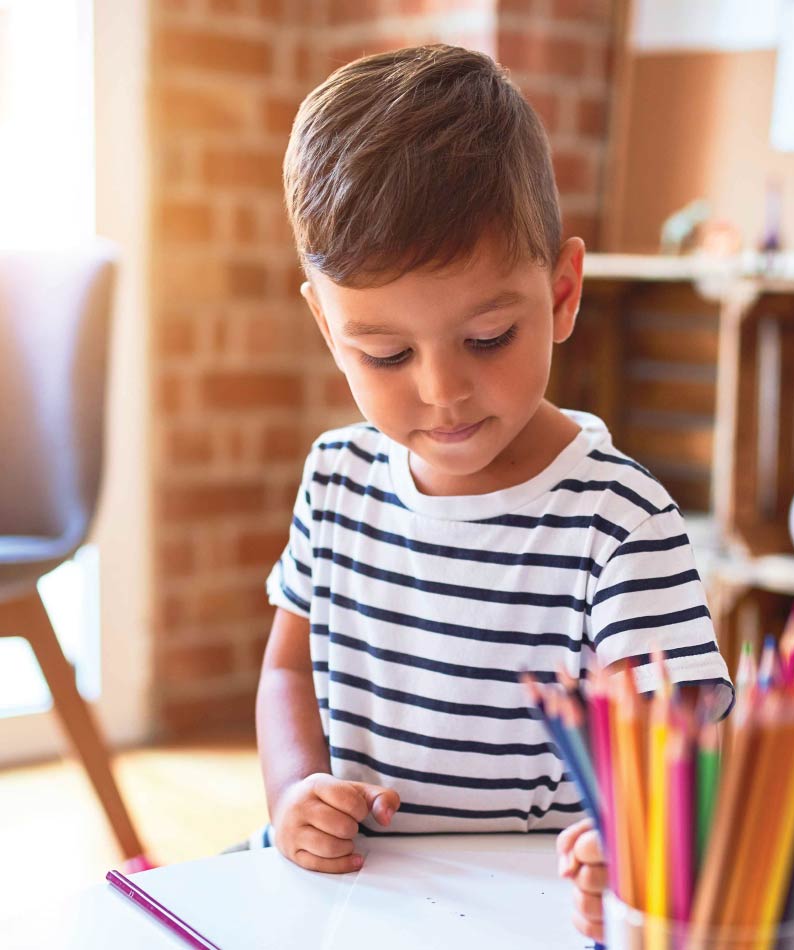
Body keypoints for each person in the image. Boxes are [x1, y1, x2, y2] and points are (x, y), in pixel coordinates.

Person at [255, 44, 733, 944]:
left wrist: (637, 834)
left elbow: (680, 733)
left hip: (535, 911)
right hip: (362, 900)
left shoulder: (618, 525)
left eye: (487, 337)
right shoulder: (336, 480)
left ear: (561, 293)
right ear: (327, 323)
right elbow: (287, 668)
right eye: (386, 355)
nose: (442, 391)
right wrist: (293, 793)